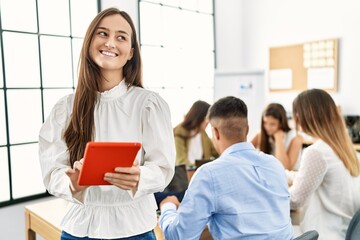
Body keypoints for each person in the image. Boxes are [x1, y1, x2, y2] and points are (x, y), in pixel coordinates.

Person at [38, 8, 175, 240]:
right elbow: (52, 171)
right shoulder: (65, 108)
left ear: (131, 53)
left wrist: (140, 176)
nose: (111, 42)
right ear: (90, 42)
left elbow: (163, 167)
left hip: (135, 230)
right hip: (79, 229)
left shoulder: (149, 104)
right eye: (103, 33)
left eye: (121, 37)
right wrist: (71, 183)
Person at [159, 96, 293, 239]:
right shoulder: (275, 165)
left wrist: (168, 207)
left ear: (215, 133)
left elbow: (179, 236)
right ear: (247, 130)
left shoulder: (209, 174)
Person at [289, 89, 360, 239]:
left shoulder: (317, 152)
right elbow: (313, 177)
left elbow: (295, 200)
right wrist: (283, 174)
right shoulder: (346, 150)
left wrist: (267, 191)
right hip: (342, 232)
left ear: (307, 116)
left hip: (322, 234)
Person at [251, 103, 303, 170]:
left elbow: (285, 167)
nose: (267, 127)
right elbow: (243, 151)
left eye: (272, 124)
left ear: (281, 123)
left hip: (290, 177)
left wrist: (278, 139)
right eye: (265, 122)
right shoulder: (261, 134)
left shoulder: (296, 137)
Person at [174, 100, 218, 168]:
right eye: (207, 118)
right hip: (186, 175)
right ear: (199, 117)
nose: (208, 122)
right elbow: (181, 161)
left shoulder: (202, 133)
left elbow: (214, 151)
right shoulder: (178, 133)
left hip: (201, 172)